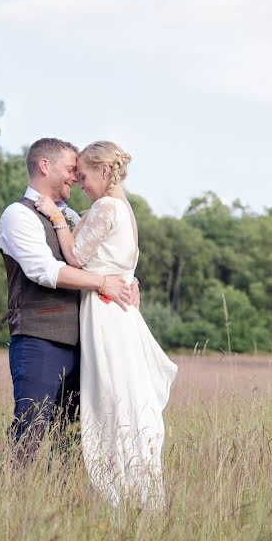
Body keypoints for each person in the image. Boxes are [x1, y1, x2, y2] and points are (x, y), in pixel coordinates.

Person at [34, 141, 178, 508]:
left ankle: (117, 489)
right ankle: (130, 485)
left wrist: (55, 217)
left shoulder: (106, 206)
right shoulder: (125, 209)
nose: (80, 183)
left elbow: (76, 258)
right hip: (117, 309)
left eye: (83, 176)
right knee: (120, 394)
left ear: (103, 171)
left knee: (109, 395)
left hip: (105, 313)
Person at [0, 138, 135, 464]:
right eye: (71, 169)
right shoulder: (18, 215)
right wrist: (104, 283)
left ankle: (63, 506)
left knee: (74, 437)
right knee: (31, 427)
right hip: (38, 337)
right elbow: (43, 270)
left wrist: (130, 281)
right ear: (45, 166)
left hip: (84, 341)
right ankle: (11, 504)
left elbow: (101, 255)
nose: (75, 177)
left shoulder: (72, 215)